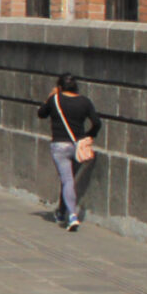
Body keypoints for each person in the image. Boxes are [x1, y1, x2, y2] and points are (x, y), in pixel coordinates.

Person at [39, 74, 99, 232]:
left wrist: (50, 96)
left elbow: (41, 114)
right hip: (78, 145)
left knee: (67, 181)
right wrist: (89, 135)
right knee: (69, 180)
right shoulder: (85, 101)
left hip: (60, 145)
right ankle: (61, 211)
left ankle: (72, 215)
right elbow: (97, 123)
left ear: (59, 86)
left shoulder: (55, 100)